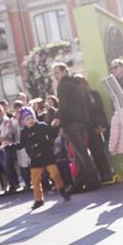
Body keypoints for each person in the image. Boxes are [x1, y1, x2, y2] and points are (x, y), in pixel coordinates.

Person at [9, 107, 71, 209]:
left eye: (31, 118)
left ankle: (61, 189)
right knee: (35, 180)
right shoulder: (24, 132)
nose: (30, 121)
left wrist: (55, 126)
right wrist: (8, 147)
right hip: (35, 159)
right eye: (27, 119)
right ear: (24, 122)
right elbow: (21, 144)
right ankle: (38, 199)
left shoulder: (41, 126)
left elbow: (52, 133)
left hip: (47, 156)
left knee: (55, 174)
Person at [52, 62, 101, 192]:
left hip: (71, 123)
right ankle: (81, 182)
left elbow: (64, 105)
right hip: (82, 122)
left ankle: (92, 180)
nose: (55, 76)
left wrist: (60, 122)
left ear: (64, 71)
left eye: (57, 72)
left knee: (81, 153)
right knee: (81, 153)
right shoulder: (78, 83)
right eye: (54, 74)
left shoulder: (63, 85)